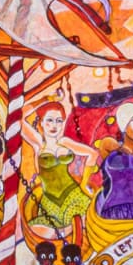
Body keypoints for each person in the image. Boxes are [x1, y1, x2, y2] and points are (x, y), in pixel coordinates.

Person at [21, 101, 95, 240]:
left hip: (74, 195)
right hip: (50, 201)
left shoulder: (65, 142)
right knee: (40, 231)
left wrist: (84, 182)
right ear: (41, 123)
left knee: (84, 225)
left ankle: (71, 228)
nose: (54, 125)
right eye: (49, 120)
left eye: (59, 121)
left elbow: (92, 154)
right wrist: (45, 98)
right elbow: (19, 116)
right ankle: (68, 229)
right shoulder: (39, 144)